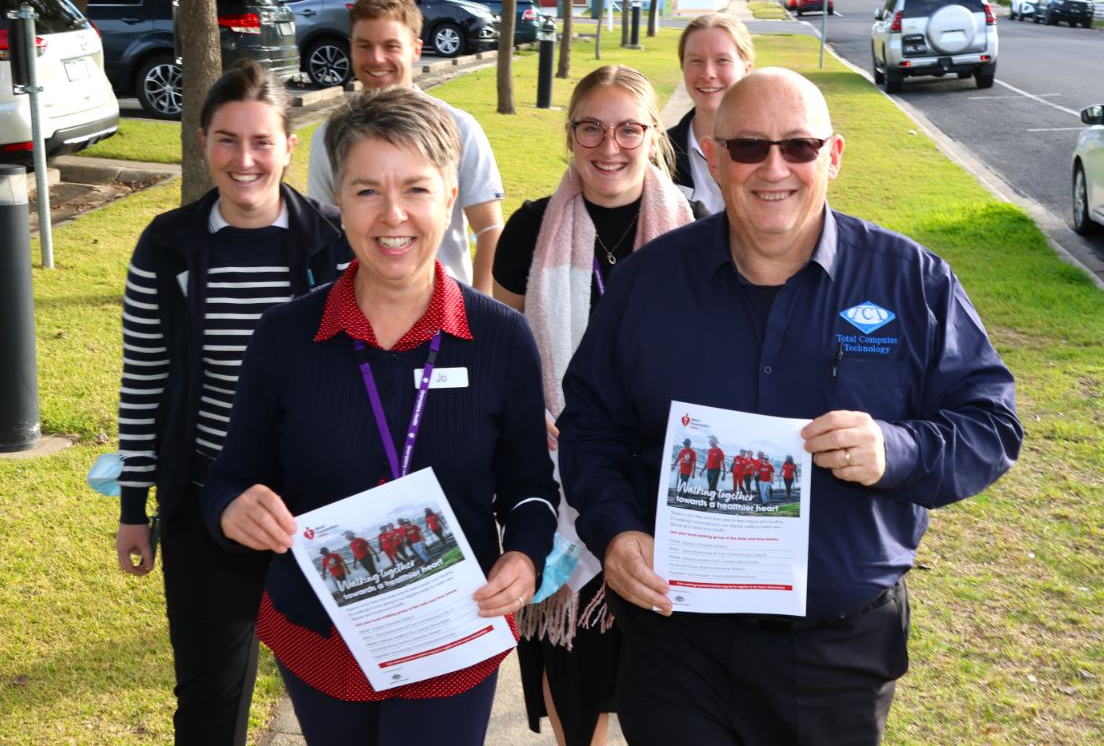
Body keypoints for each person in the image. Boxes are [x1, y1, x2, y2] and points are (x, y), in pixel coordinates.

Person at [557, 67, 1023, 746]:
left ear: (832, 157)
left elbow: (992, 426)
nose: (773, 167)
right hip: (677, 646)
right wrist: (617, 529)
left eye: (798, 147)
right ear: (712, 157)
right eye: (748, 146)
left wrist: (897, 450)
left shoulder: (910, 280)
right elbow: (591, 428)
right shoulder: (646, 284)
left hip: (837, 652)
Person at [201, 86, 558, 745]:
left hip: (451, 630)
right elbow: (228, 480)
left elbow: (532, 488)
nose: (393, 214)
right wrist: (231, 509)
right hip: (320, 631)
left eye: (417, 189)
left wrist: (527, 556)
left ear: (451, 196)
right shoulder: (284, 337)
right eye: (367, 190)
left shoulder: (502, 339)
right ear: (338, 202)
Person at [113, 61, 352, 746]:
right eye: (226, 140)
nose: (243, 160)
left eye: (260, 141)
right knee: (210, 704)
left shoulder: (334, 244)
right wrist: (136, 512)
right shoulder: (166, 246)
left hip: (319, 510)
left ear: (287, 143)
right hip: (206, 506)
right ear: (201, 141)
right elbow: (144, 384)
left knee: (341, 698)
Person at [492, 65, 703, 746]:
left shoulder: (696, 230)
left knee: (657, 666)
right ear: (570, 134)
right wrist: (533, 421)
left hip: (665, 475)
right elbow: (506, 354)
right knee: (572, 653)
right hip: (559, 474)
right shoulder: (529, 229)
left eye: (628, 129)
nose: (609, 146)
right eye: (592, 128)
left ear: (652, 137)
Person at [307, 0, 504, 293]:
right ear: (351, 48)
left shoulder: (460, 128)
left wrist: (479, 310)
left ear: (415, 49)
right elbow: (323, 233)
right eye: (364, 46)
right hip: (358, 315)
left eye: (391, 46)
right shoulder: (327, 137)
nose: (376, 59)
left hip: (446, 314)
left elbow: (489, 228)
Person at [668, 13, 754, 214]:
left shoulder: (775, 152)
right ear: (683, 68)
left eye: (722, 60)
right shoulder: (659, 155)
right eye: (696, 61)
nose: (708, 73)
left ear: (746, 69)